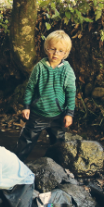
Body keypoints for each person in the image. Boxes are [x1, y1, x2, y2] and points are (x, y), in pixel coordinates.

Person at [15, 30, 77, 162]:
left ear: (66, 53)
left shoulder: (67, 70)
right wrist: (26, 106)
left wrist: (69, 113)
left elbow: (71, 92)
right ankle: (17, 163)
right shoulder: (40, 67)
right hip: (38, 113)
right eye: (52, 49)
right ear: (46, 49)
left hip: (58, 115)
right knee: (26, 140)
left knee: (58, 143)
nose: (56, 53)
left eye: (61, 51)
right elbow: (30, 87)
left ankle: (56, 166)